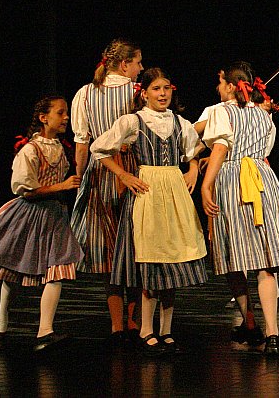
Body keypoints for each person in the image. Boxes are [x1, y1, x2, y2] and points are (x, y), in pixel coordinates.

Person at [91, 68, 207, 356]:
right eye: (156, 89)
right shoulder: (134, 121)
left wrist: (192, 170)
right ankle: (145, 329)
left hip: (174, 193)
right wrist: (123, 175)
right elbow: (99, 149)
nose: (163, 93)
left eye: (166, 88)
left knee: (173, 264)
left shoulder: (181, 122)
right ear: (144, 93)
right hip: (147, 192)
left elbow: (194, 151)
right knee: (152, 264)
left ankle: (166, 330)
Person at [201, 61, 279, 355]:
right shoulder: (265, 116)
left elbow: (221, 148)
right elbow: (265, 150)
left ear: (231, 85)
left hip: (233, 181)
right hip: (263, 182)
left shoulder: (222, 112)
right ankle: (272, 332)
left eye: (220, 82)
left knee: (236, 256)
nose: (217, 87)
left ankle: (250, 321)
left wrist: (206, 184)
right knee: (264, 260)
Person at [0, 96, 83, 351]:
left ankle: (44, 332)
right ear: (43, 117)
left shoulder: (61, 147)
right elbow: (25, 190)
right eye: (61, 113)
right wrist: (61, 185)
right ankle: (0, 325)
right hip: (29, 214)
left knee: (56, 271)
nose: (66, 117)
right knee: (12, 270)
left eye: (66, 113)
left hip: (54, 215)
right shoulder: (30, 149)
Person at [70, 38, 144, 344]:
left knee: (112, 252)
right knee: (138, 247)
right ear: (124, 64)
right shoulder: (137, 93)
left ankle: (117, 324)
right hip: (132, 170)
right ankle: (134, 321)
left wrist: (79, 178)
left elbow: (82, 145)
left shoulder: (85, 94)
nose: (141, 68)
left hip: (100, 172)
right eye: (138, 62)